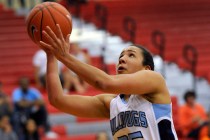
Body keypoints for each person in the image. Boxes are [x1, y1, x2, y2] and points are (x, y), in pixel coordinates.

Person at [39, 25, 178, 140]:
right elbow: (57, 100)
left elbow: (104, 82)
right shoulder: (112, 104)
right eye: (121, 56)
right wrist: (51, 55)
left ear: (146, 68)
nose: (122, 59)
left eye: (131, 55)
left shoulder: (155, 80)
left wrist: (64, 56)